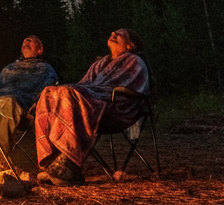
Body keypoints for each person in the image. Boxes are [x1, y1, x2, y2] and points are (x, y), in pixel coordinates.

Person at [33, 28, 149, 186]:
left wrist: (91, 93)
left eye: (119, 35)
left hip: (118, 108)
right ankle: (53, 161)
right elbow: (83, 85)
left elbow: (135, 88)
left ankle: (68, 164)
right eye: (112, 33)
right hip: (94, 100)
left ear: (130, 45)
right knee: (49, 93)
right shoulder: (99, 64)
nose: (112, 35)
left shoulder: (134, 61)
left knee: (69, 93)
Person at [0, 35, 58, 162]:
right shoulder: (10, 68)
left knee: (9, 101)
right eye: (24, 41)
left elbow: (48, 93)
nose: (26, 41)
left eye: (30, 41)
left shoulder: (45, 69)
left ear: (39, 50)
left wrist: (36, 107)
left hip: (22, 108)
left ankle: (3, 153)